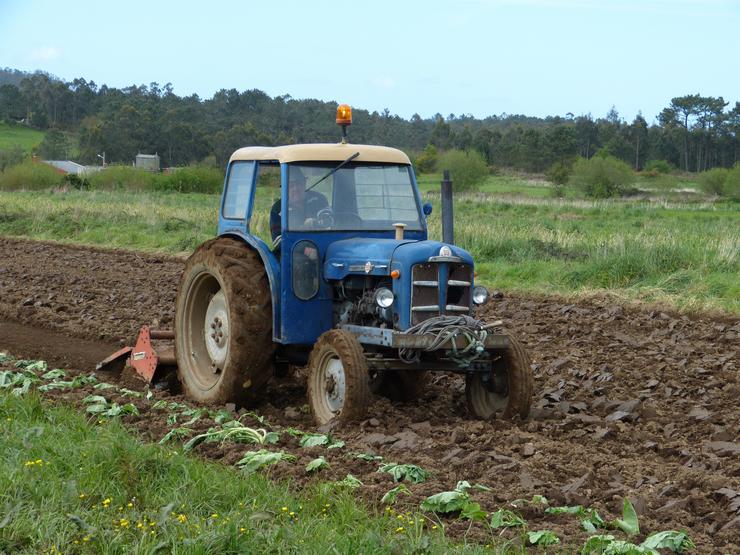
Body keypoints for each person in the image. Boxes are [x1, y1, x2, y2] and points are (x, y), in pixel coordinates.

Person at [270, 167, 328, 246]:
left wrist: (317, 223)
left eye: (299, 183)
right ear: (284, 188)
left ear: (304, 183)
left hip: (322, 245)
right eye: (291, 185)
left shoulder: (319, 199)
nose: (296, 188)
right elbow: (278, 241)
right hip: (293, 252)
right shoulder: (277, 208)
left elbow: (332, 224)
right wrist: (303, 228)